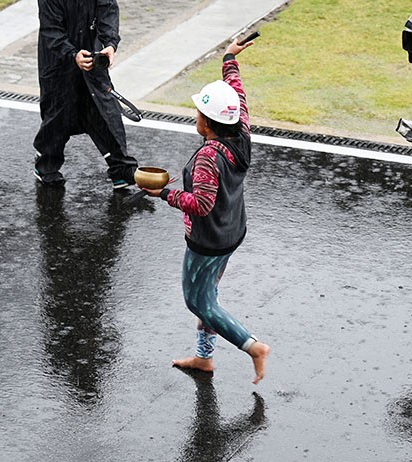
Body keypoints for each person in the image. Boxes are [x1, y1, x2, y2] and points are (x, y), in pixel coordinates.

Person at [142, 37, 271, 384]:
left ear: (209, 122)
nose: (195, 116)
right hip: (232, 232)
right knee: (209, 294)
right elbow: (237, 93)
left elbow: (200, 204)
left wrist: (163, 194)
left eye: (199, 112)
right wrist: (229, 57)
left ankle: (253, 346)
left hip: (208, 241)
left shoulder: (208, 158)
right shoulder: (240, 132)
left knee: (199, 302)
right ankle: (204, 358)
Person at [33, 0, 138, 189]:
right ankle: (46, 165)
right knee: (57, 115)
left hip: (92, 56)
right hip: (58, 63)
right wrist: (72, 54)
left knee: (106, 111)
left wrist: (110, 44)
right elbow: (51, 30)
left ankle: (121, 168)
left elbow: (108, 11)